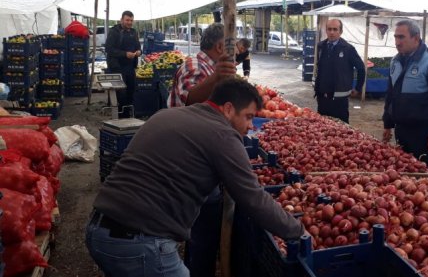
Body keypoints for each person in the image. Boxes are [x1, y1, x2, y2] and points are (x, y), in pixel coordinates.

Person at [86, 78, 303, 277]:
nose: (249, 126)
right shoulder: (223, 135)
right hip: (139, 243)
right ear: (228, 109)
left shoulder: (169, 114)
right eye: (248, 117)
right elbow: (253, 198)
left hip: (99, 230)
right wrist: (297, 231)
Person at [167, 23, 237, 276]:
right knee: (203, 226)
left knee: (202, 228)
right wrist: (219, 77)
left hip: (202, 153)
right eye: (231, 45)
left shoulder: (210, 67)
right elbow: (192, 100)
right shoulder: (195, 66)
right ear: (220, 46)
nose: (236, 51)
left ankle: (198, 266)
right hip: (190, 158)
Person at [382, 19, 428, 173]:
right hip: (402, 130)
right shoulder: (395, 61)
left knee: (427, 176)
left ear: (416, 37)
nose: (397, 42)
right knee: (405, 172)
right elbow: (391, 94)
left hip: (424, 133)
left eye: (401, 37)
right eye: (396, 37)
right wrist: (388, 123)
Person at [314, 18, 366, 123]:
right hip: (322, 97)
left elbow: (361, 68)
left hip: (339, 99)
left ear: (340, 31)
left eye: (335, 29)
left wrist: (358, 88)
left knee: (342, 129)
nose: (332, 32)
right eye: (329, 29)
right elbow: (319, 68)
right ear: (326, 30)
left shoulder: (348, 49)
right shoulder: (321, 46)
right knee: (322, 128)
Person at [105, 10, 141, 118]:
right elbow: (108, 49)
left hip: (130, 66)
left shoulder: (134, 32)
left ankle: (128, 113)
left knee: (131, 89)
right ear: (121, 20)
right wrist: (125, 54)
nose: (129, 22)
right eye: (127, 20)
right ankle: (120, 115)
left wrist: (139, 52)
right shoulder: (114, 31)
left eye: (131, 20)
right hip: (117, 67)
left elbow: (138, 46)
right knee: (121, 92)